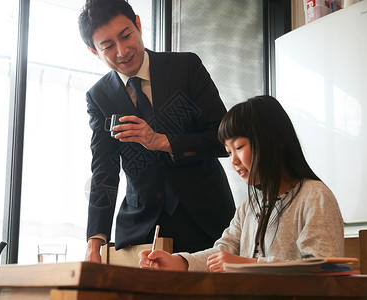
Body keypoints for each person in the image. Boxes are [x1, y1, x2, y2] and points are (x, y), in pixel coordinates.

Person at [78, 0, 235, 263]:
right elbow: (104, 171)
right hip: (141, 230)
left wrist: (161, 141)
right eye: (107, 46)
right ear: (94, 51)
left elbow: (223, 140)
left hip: (206, 223)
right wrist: (95, 242)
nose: (122, 51)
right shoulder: (99, 97)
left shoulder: (186, 68)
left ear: (138, 24)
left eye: (126, 35)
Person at [139, 95, 344, 272]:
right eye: (229, 152)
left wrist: (246, 264)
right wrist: (179, 262)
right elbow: (224, 251)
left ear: (275, 140)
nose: (234, 161)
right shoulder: (249, 207)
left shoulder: (315, 196)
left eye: (239, 147)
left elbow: (322, 268)